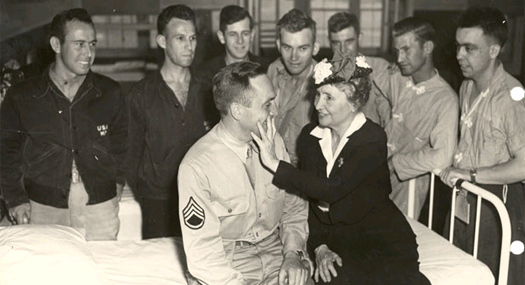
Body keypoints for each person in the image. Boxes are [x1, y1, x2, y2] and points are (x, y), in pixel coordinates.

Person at [252, 56, 430, 284]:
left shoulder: (372, 139)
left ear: (353, 102)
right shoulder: (309, 137)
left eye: (328, 98)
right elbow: (311, 201)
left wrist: (275, 164)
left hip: (382, 241)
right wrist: (320, 247)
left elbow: (331, 190)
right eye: (318, 94)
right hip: (338, 242)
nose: (317, 105)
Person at [178, 62, 311, 285]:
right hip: (227, 262)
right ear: (237, 111)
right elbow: (203, 253)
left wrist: (293, 254)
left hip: (276, 251)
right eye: (267, 105)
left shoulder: (273, 142)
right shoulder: (196, 167)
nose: (275, 111)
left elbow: (293, 208)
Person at [0, 8, 126, 241]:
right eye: (79, 44)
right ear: (56, 45)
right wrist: (15, 199)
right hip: (43, 208)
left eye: (92, 44)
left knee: (98, 272)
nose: (88, 53)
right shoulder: (22, 96)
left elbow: (123, 142)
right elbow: (6, 153)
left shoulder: (110, 92)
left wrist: (118, 181)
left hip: (98, 207)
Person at [440, 6, 525, 284]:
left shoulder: (511, 97)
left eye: (469, 48)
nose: (458, 55)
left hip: (495, 204)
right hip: (466, 197)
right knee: (458, 270)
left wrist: (471, 175)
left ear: (493, 50)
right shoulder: (467, 86)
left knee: (492, 276)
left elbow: (523, 166)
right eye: (457, 46)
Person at [125, 5, 206, 239]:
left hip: (202, 198)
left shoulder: (209, 89)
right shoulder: (141, 95)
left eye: (192, 38)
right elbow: (131, 157)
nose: (189, 46)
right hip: (157, 203)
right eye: (180, 38)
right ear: (162, 41)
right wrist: (149, 193)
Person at [385, 17, 459, 219]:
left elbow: (443, 157)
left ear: (427, 48)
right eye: (397, 51)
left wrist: (395, 163)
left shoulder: (445, 99)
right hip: (375, 179)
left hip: (406, 188)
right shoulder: (397, 76)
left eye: (406, 50)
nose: (399, 58)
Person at [197, 5, 271, 128]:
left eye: (245, 33)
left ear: (252, 34)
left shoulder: (267, 69)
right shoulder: (206, 74)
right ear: (222, 37)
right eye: (233, 34)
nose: (240, 41)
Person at [267, 8, 319, 166]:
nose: (294, 57)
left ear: (315, 48)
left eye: (303, 48)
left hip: (303, 173)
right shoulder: (273, 70)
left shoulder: (323, 83)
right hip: (270, 163)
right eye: (287, 47)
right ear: (278, 45)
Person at [327, 11, 391, 127]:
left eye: (349, 42)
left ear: (359, 37)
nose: (342, 50)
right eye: (336, 43)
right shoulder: (324, 73)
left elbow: (389, 117)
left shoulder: (379, 69)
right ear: (329, 42)